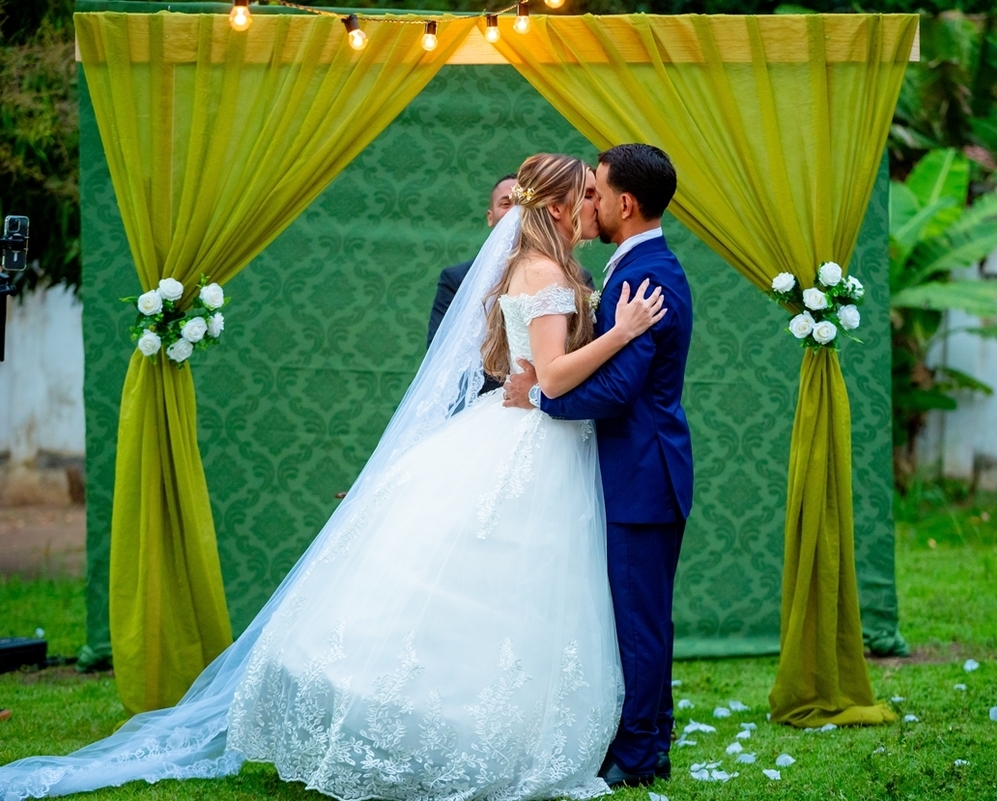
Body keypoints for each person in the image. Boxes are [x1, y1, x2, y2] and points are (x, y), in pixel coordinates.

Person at [0, 153, 667, 800]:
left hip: (521, 427)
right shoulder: (547, 268)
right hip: (531, 439)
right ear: (555, 206)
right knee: (512, 584)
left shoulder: (534, 263)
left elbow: (530, 367)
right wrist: (623, 329)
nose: (592, 205)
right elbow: (550, 375)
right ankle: (467, 732)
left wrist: (549, 360)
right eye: (583, 193)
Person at [503, 143, 693, 788]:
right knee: (633, 618)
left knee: (640, 623)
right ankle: (644, 740)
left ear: (625, 203)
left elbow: (617, 392)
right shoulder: (630, 268)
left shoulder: (649, 277)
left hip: (642, 475)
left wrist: (538, 395)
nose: (590, 201)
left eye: (597, 191)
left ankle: (640, 757)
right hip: (629, 470)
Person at [426, 173, 517, 347]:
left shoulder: (575, 276)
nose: (516, 212)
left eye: (524, 204)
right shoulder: (456, 278)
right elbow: (438, 347)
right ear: (490, 217)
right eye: (506, 204)